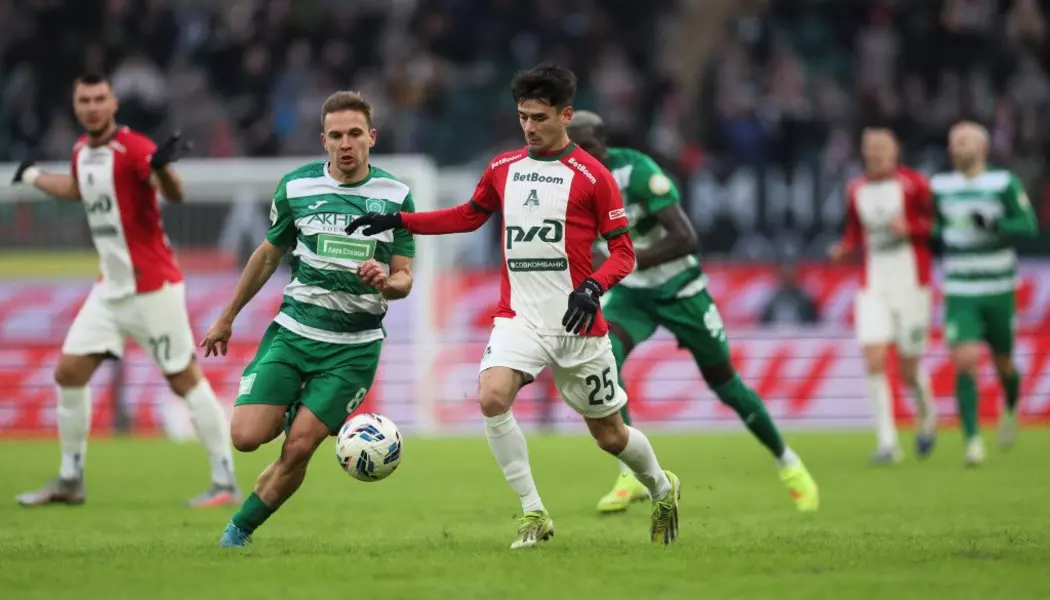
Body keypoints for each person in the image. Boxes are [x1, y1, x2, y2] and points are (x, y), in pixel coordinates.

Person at [346, 63, 682, 547]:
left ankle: (661, 488)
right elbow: (468, 216)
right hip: (518, 319)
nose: (529, 126)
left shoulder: (593, 176)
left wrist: (593, 287)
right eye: (523, 116)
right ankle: (533, 512)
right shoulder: (504, 168)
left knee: (610, 436)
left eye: (540, 117)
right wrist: (399, 220)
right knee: (491, 397)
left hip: (577, 324)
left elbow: (624, 253)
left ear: (566, 115)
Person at [567, 111, 818, 514]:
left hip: (681, 290)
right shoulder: (570, 182)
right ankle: (629, 474)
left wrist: (628, 260)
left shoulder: (638, 172)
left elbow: (685, 237)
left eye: (589, 146)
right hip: (633, 295)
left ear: (604, 142)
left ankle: (789, 464)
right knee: (605, 357)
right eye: (576, 148)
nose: (584, 155)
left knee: (726, 385)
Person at [11, 73, 238, 508]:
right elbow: (76, 188)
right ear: (76, 106)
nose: (93, 106)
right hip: (110, 291)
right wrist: (34, 175)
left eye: (100, 98)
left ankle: (224, 481)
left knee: (184, 380)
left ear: (113, 103)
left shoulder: (134, 149)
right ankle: (70, 479)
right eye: (85, 100)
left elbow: (174, 193)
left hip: (153, 288)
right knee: (69, 373)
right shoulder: (82, 151)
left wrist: (163, 169)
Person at [201, 91, 416, 547]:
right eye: (336, 135)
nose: (345, 144)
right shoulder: (296, 188)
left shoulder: (396, 196)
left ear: (372, 137)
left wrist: (385, 281)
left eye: (354, 134)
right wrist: (226, 317)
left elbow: (404, 278)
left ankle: (238, 530)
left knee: (298, 447)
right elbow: (266, 255)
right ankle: (296, 409)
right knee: (245, 437)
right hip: (294, 333)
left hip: (353, 349)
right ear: (324, 140)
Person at [828, 127, 938, 464]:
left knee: (908, 369)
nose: (875, 153)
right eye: (870, 148)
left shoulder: (915, 184)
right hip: (873, 284)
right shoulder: (856, 188)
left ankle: (927, 413)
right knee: (874, 359)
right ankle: (888, 442)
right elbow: (854, 232)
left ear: (895, 150)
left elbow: (938, 225)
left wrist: (912, 229)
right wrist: (844, 248)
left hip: (911, 283)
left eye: (881, 147)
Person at [930, 121, 1037, 466]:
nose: (956, 146)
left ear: (983, 147)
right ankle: (973, 440)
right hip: (960, 286)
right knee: (965, 360)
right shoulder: (939, 186)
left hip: (999, 286)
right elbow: (932, 226)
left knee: (1003, 362)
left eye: (963, 140)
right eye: (953, 141)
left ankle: (1011, 404)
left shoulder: (1003, 182)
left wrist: (994, 225)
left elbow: (1029, 225)